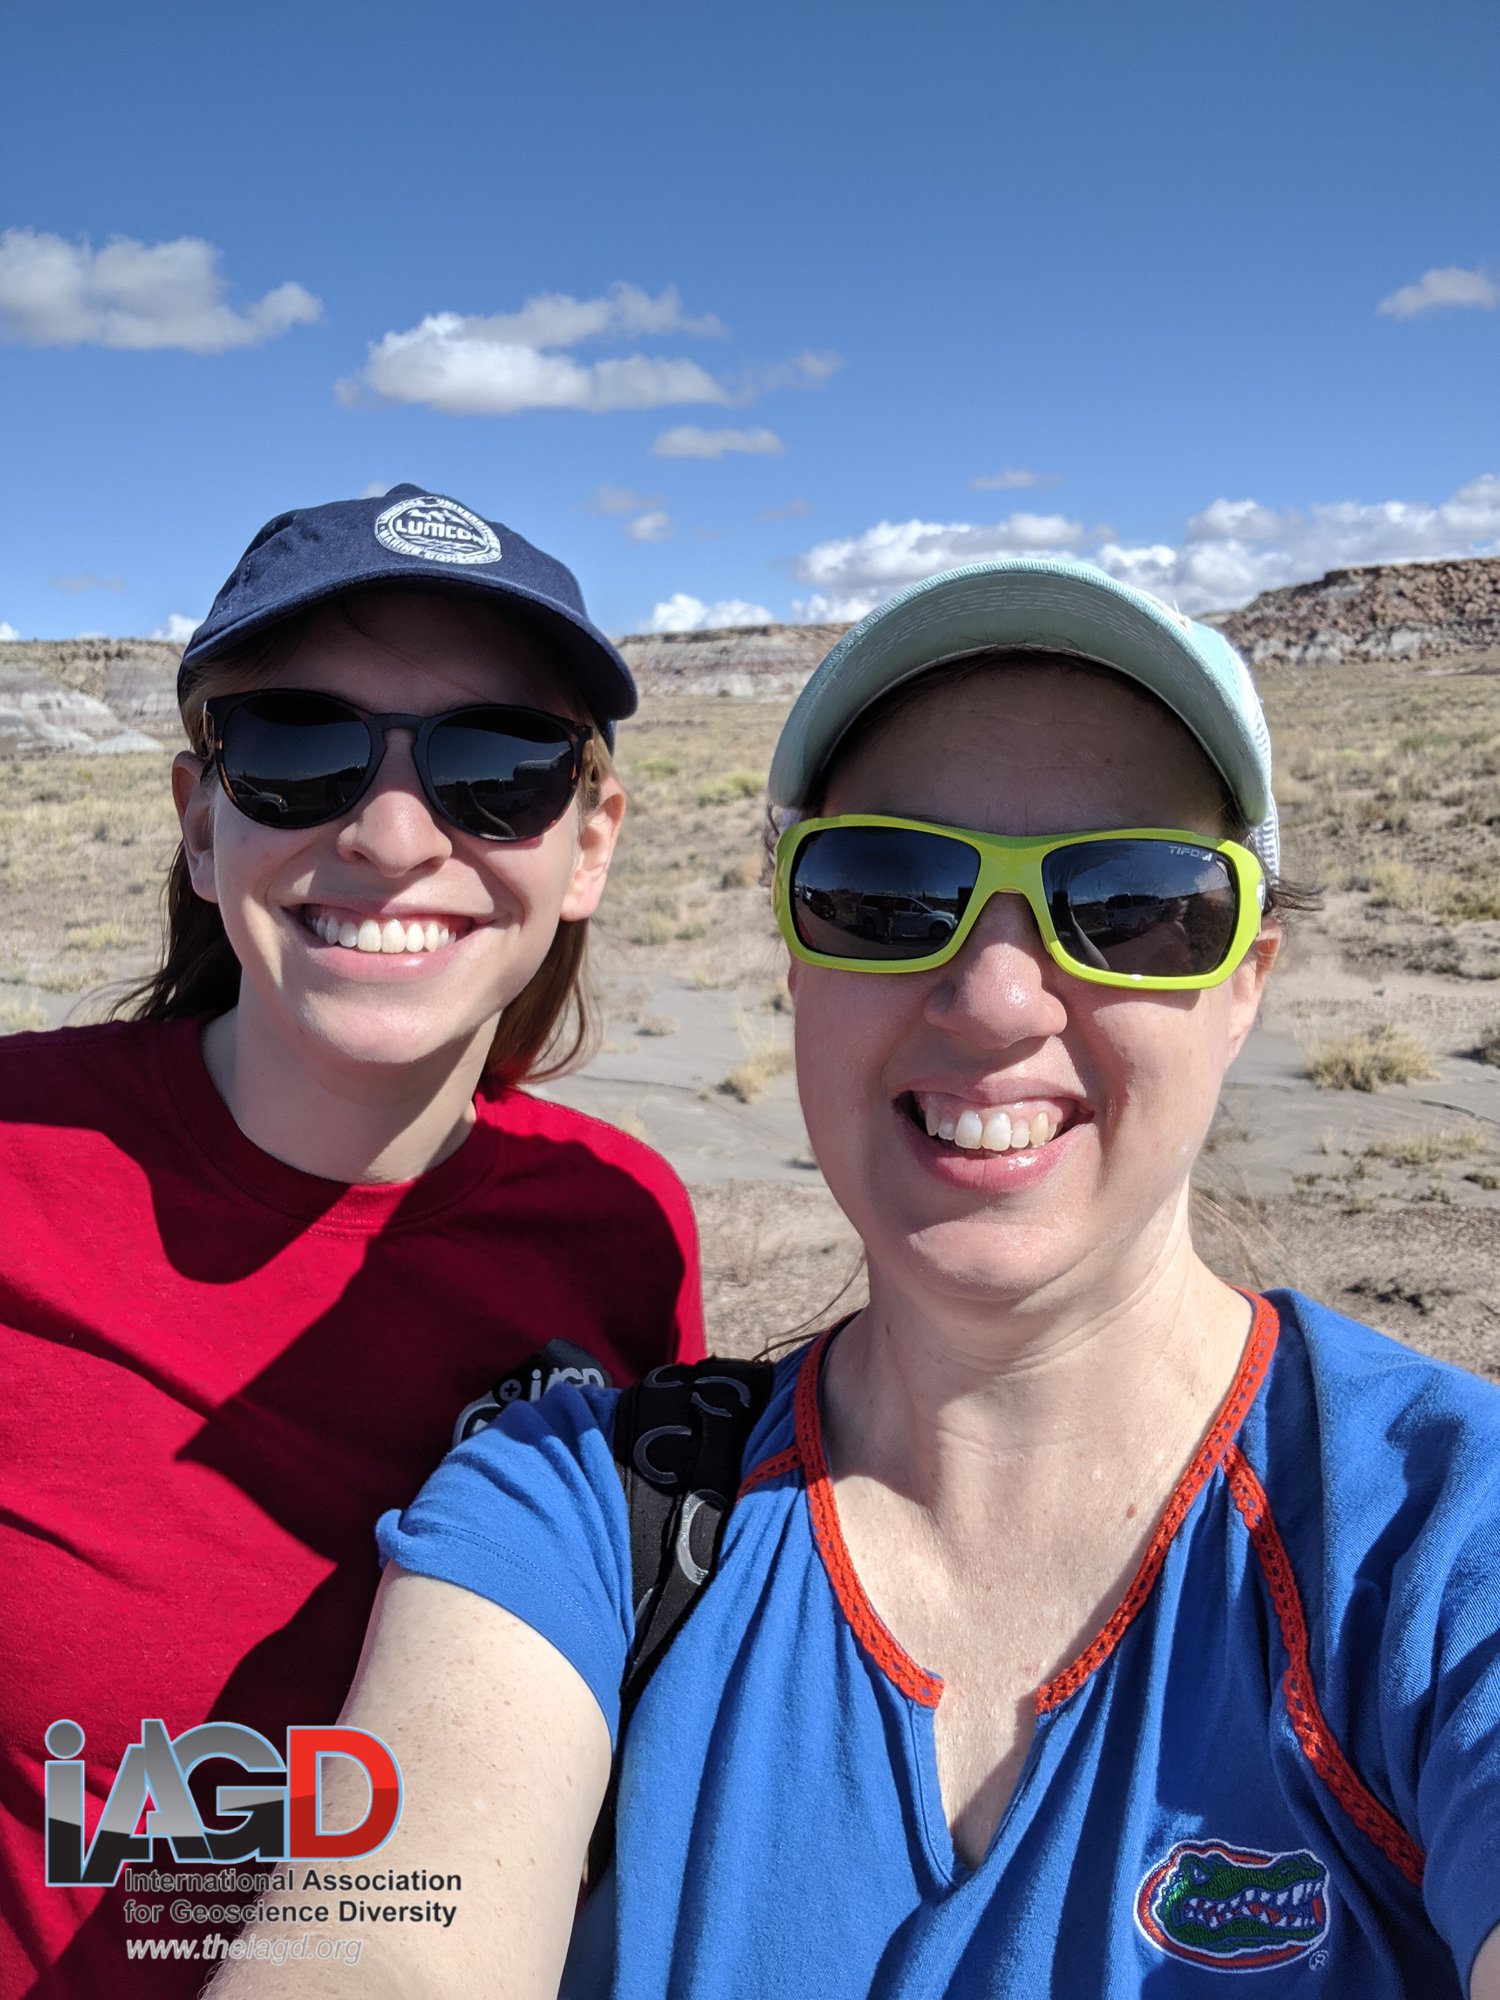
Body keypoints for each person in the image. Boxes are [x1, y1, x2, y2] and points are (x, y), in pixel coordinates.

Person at [211, 557, 1500, 1998]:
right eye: (888, 892)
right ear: (795, 961)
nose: (998, 997)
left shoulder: (1436, 1546)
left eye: (1131, 902)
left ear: (1248, 975)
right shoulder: (580, 1517)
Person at [0, 487, 705, 1999]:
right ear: (202, 821)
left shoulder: (624, 1228)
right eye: (297, 753)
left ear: (588, 848)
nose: (391, 835)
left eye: (497, 772)